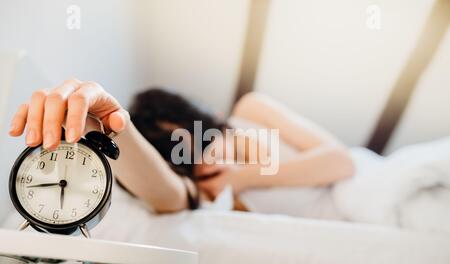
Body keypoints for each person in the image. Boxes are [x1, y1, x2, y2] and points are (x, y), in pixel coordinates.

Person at [8, 78, 355, 213]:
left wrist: (244, 177)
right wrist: (113, 129)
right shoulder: (201, 186)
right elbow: (165, 193)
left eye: (201, 140)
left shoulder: (252, 109)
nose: (204, 160)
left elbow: (342, 162)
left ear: (212, 119)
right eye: (188, 158)